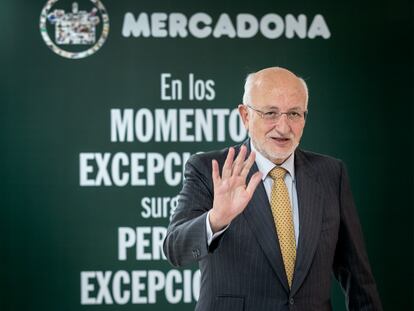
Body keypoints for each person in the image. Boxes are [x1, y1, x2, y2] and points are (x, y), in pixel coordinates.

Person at [163, 67, 382, 311]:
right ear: (245, 116)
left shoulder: (332, 174)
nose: (283, 126)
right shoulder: (209, 169)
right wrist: (216, 220)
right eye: (270, 113)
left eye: (294, 114)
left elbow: (358, 278)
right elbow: (175, 249)